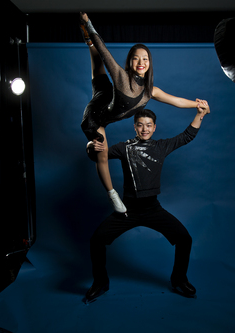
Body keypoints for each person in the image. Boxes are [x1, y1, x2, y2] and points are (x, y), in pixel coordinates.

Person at [79, 12, 210, 214]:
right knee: (100, 152)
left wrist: (197, 105)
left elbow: (175, 100)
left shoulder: (150, 92)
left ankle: (88, 42)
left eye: (145, 59)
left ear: (149, 63)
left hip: (107, 97)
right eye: (136, 58)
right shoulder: (122, 78)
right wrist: (90, 25)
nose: (141, 62)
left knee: (99, 76)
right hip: (96, 115)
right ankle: (112, 193)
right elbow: (104, 52)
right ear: (130, 62)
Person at [84, 104, 209, 303]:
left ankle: (178, 279)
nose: (144, 129)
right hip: (127, 210)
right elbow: (99, 156)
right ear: (134, 127)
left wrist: (199, 114)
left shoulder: (161, 146)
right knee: (96, 240)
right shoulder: (124, 147)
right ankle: (100, 282)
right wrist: (90, 147)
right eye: (140, 125)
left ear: (154, 127)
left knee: (184, 239)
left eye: (148, 125)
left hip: (153, 209)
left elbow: (187, 136)